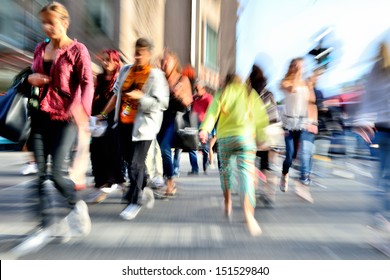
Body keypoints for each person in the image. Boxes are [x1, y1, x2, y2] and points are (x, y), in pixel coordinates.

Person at [22, 2, 94, 246]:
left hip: (65, 118)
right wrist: (31, 78)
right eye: (43, 22)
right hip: (40, 116)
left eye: (51, 22)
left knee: (56, 174)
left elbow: (87, 83)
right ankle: (46, 225)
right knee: (41, 175)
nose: (46, 27)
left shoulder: (77, 50)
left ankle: (76, 205)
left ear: (64, 22)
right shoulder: (40, 49)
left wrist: (83, 110)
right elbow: (30, 75)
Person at [97, 38, 169, 220]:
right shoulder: (125, 70)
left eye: (141, 53)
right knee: (130, 161)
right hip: (123, 123)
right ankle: (141, 183)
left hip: (144, 127)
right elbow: (116, 94)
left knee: (136, 163)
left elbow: (162, 104)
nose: (137, 56)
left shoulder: (156, 76)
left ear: (149, 55)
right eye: (136, 51)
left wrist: (141, 98)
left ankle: (135, 201)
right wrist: (103, 114)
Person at [199, 73, 269, 236]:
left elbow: (212, 113)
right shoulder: (249, 93)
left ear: (226, 81)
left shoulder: (222, 93)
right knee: (246, 175)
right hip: (246, 138)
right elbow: (261, 118)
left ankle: (227, 201)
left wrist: (205, 129)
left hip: (225, 140)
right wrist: (261, 137)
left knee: (226, 172)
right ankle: (249, 216)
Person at [354, 42, 390, 245]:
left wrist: (363, 122)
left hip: (382, 130)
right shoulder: (378, 68)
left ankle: (381, 217)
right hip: (383, 130)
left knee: (383, 178)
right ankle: (383, 218)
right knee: (385, 179)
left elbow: (368, 99)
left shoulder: (377, 68)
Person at [86, 49, 125, 204]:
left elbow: (119, 99)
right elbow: (92, 96)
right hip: (98, 119)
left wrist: (104, 113)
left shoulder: (119, 78)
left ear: (116, 61)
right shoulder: (100, 78)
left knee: (113, 153)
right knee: (96, 152)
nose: (105, 62)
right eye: (103, 59)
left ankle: (118, 183)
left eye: (109, 59)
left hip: (114, 119)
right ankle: (102, 184)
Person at [157, 49, 193, 197]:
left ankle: (170, 182)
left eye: (167, 60)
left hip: (175, 119)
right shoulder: (159, 78)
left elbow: (188, 101)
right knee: (160, 150)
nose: (164, 63)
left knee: (165, 148)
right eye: (162, 61)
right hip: (160, 118)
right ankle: (163, 178)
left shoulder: (182, 79)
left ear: (174, 62)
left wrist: (178, 93)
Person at [279, 57, 315, 192]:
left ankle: (304, 176)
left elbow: (311, 102)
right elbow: (292, 89)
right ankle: (284, 174)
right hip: (289, 123)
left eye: (302, 66)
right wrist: (297, 75)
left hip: (302, 123)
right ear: (291, 67)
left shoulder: (305, 84)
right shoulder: (284, 82)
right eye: (297, 66)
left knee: (300, 155)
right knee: (290, 154)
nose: (300, 69)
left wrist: (312, 121)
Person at [248, 64, 280, 207]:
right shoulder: (269, 94)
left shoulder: (249, 96)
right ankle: (269, 196)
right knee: (268, 167)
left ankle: (252, 196)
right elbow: (276, 115)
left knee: (253, 165)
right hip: (271, 134)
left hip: (255, 135)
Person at [189, 80, 213, 175]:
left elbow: (212, 111)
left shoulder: (209, 98)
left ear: (203, 88)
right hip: (194, 123)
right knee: (191, 146)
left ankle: (205, 166)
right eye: (195, 88)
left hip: (204, 124)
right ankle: (194, 169)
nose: (195, 90)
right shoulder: (194, 98)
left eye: (197, 88)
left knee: (205, 147)